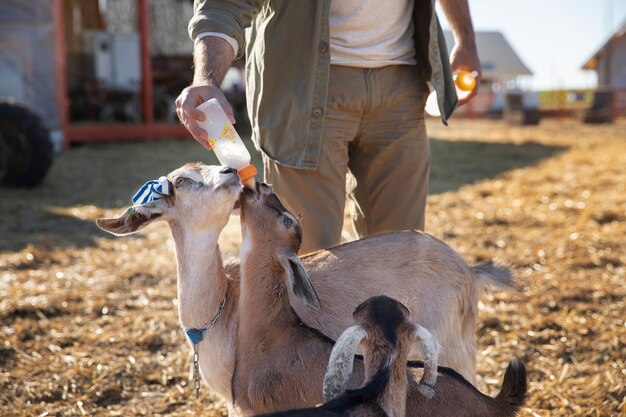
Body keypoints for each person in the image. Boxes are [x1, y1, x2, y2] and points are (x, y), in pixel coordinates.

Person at [176, 0, 481, 253]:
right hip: (303, 90)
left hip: (403, 85)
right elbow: (223, 4)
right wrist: (206, 78)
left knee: (400, 257)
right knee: (307, 257)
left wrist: (466, 39)